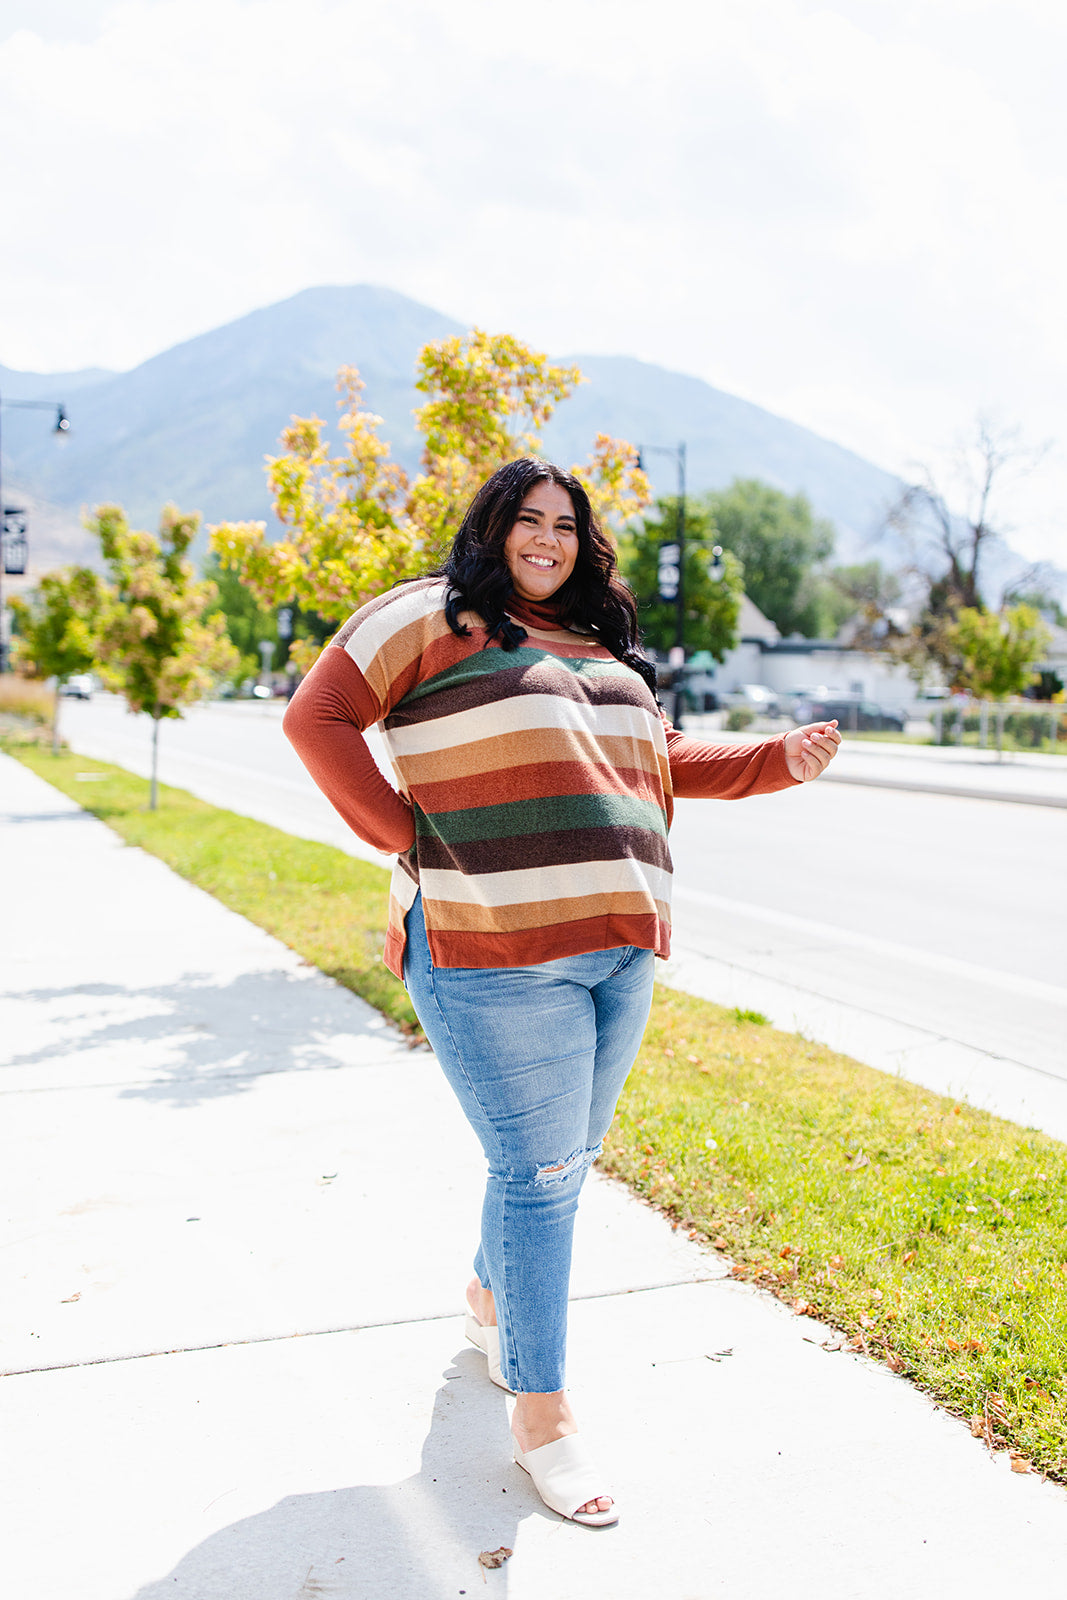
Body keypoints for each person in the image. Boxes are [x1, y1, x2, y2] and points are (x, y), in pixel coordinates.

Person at [283, 457, 841, 1527]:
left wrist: (776, 758)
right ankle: (541, 1417)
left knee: (555, 1163)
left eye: (567, 526)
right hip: (493, 948)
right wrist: (407, 836)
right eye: (527, 520)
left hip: (617, 944)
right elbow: (318, 717)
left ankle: (490, 1300)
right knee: (539, 1172)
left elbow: (662, 762)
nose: (548, 538)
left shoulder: (598, 649)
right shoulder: (425, 618)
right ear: (489, 528)